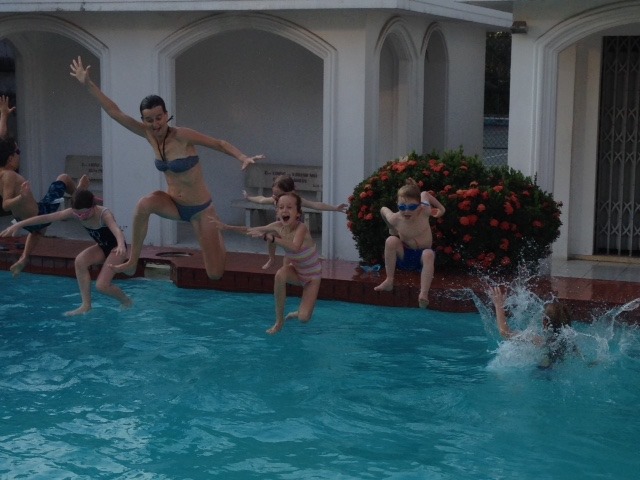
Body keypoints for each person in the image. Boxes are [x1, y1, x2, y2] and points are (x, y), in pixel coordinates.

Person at [69, 56, 264, 278]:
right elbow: (115, 112)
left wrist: (242, 156)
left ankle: (217, 238)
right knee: (144, 204)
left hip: (200, 209)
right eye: (149, 120)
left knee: (215, 274)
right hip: (173, 204)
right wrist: (89, 84)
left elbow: (218, 143)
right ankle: (132, 261)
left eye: (159, 118)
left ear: (166, 115)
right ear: (144, 120)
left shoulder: (182, 136)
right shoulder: (148, 134)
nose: (155, 124)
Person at [1, 189, 132, 316]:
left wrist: (121, 244)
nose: (81, 217)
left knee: (101, 286)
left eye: (84, 214)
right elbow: (46, 217)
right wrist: (18, 225)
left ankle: (127, 301)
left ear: (93, 206)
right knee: (80, 261)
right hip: (102, 247)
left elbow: (116, 230)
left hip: (117, 249)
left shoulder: (104, 214)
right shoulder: (75, 212)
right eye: (78, 214)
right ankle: (86, 305)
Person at [214, 192, 321, 334]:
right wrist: (227, 227)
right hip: (296, 271)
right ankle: (279, 321)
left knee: (303, 318)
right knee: (280, 274)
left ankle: (296, 313)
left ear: (298, 214)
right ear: (277, 212)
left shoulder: (301, 228)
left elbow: (295, 247)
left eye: (289, 207)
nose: (284, 210)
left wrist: (272, 238)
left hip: (312, 277)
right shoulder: (277, 226)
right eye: (281, 207)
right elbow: (250, 230)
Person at [0, 97, 82, 276]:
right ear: (10, 158)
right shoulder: (9, 176)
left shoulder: (2, 170)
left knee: (38, 231)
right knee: (64, 178)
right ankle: (83, 203)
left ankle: (24, 259)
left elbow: (2, 139)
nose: (19, 155)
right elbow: (5, 204)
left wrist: (4, 116)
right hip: (39, 214)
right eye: (18, 152)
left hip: (29, 220)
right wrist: (21, 197)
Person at [243, 174, 347, 269]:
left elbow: (315, 205)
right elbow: (261, 199)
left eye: (277, 194)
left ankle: (298, 269)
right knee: (271, 234)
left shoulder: (297, 200)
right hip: (282, 228)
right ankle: (272, 258)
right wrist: (249, 197)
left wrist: (335, 208)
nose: (275, 197)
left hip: (294, 231)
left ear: (290, 192)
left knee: (290, 258)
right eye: (274, 194)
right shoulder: (276, 199)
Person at [373, 178, 446, 308]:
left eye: (412, 207)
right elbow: (383, 209)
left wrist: (441, 209)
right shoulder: (395, 218)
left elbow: (425, 194)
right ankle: (389, 280)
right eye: (402, 207)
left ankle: (423, 294)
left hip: (422, 259)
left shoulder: (425, 211)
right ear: (397, 204)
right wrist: (390, 227)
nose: (407, 211)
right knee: (391, 240)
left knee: (429, 254)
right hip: (405, 256)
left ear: (419, 206)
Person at [490, 286, 578, 368]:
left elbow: (505, 333)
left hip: (540, 374)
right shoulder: (570, 345)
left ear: (545, 322)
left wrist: (498, 305)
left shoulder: (539, 341)